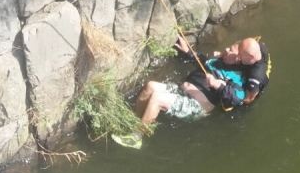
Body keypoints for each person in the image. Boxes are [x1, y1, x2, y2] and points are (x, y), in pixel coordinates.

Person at [114, 34, 271, 148]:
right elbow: (203, 62)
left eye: (230, 49)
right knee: (151, 86)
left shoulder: (237, 78)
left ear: (238, 58)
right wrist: (188, 52)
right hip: (183, 92)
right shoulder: (220, 61)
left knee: (157, 97)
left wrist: (218, 85)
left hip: (197, 105)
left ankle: (136, 138)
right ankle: (134, 122)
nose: (226, 49)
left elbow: (238, 98)